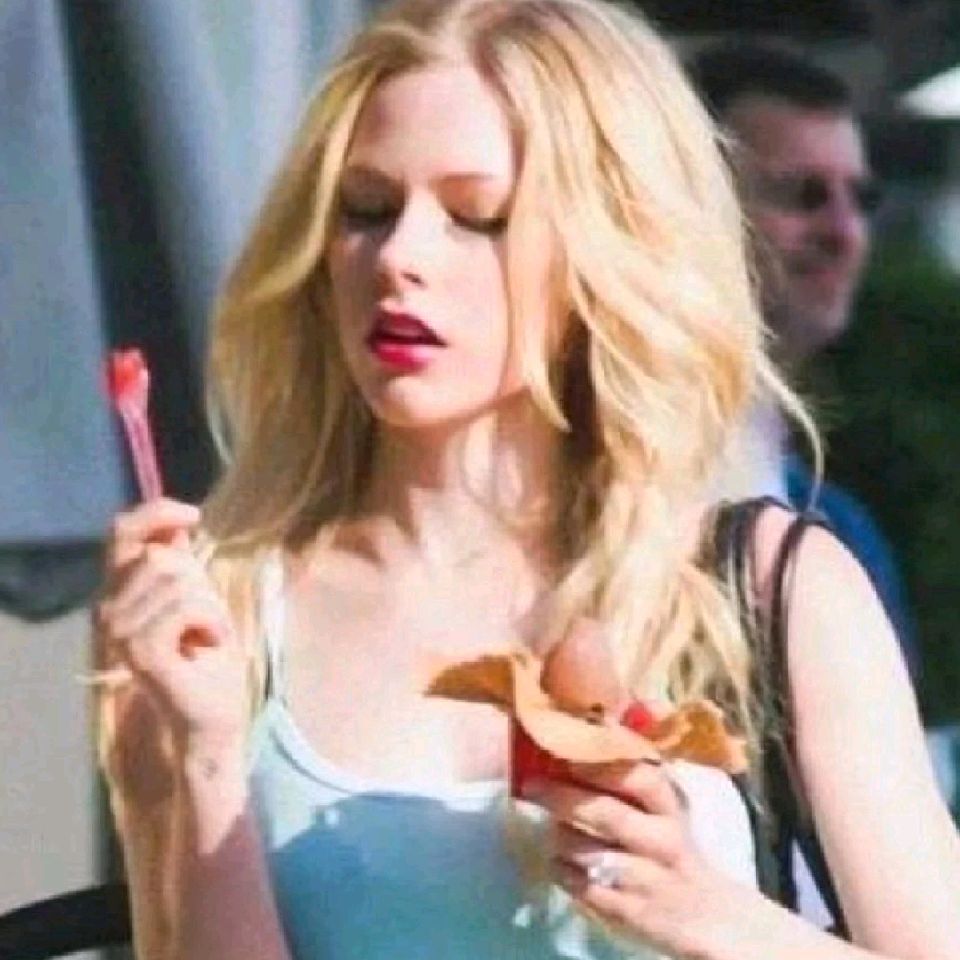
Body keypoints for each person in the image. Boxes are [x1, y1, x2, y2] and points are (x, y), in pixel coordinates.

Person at [93, 2, 960, 959]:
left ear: (608, 244)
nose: (399, 258)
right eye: (366, 209)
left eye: (480, 218)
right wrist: (198, 765)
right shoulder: (224, 608)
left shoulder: (762, 586)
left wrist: (705, 910)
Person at [688, 40, 920, 679]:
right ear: (688, 204)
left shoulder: (841, 531)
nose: (845, 232)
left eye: (861, 198)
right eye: (803, 194)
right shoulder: (578, 476)